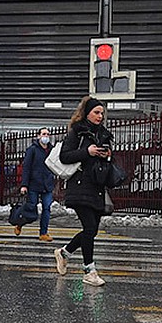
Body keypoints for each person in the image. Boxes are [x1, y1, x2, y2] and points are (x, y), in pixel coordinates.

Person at [55, 97, 115, 286]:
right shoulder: (77, 131)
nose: (100, 116)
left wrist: (106, 156)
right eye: (96, 112)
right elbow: (65, 156)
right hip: (79, 186)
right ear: (87, 112)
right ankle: (89, 271)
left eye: (102, 113)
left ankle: (64, 253)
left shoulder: (104, 134)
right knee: (89, 228)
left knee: (92, 230)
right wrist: (87, 152)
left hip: (97, 186)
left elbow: (104, 162)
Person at [16, 127, 56, 240]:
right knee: (31, 207)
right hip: (34, 183)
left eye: (48, 134)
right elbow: (26, 168)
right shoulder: (32, 149)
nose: (46, 137)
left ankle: (43, 233)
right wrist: (24, 185)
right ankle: (20, 224)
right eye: (44, 134)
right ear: (38, 136)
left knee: (47, 208)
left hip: (47, 184)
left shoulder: (52, 150)